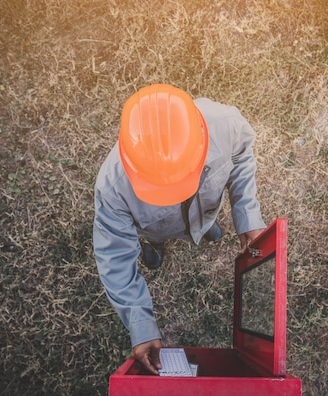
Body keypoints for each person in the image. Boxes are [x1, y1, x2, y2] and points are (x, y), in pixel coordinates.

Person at [93, 84, 266, 375]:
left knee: (207, 225)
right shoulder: (112, 189)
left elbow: (242, 158)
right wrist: (141, 326)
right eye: (161, 191)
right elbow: (115, 258)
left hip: (208, 213)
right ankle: (155, 245)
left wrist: (246, 214)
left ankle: (205, 228)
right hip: (156, 228)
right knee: (154, 236)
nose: (173, 197)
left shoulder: (225, 124)